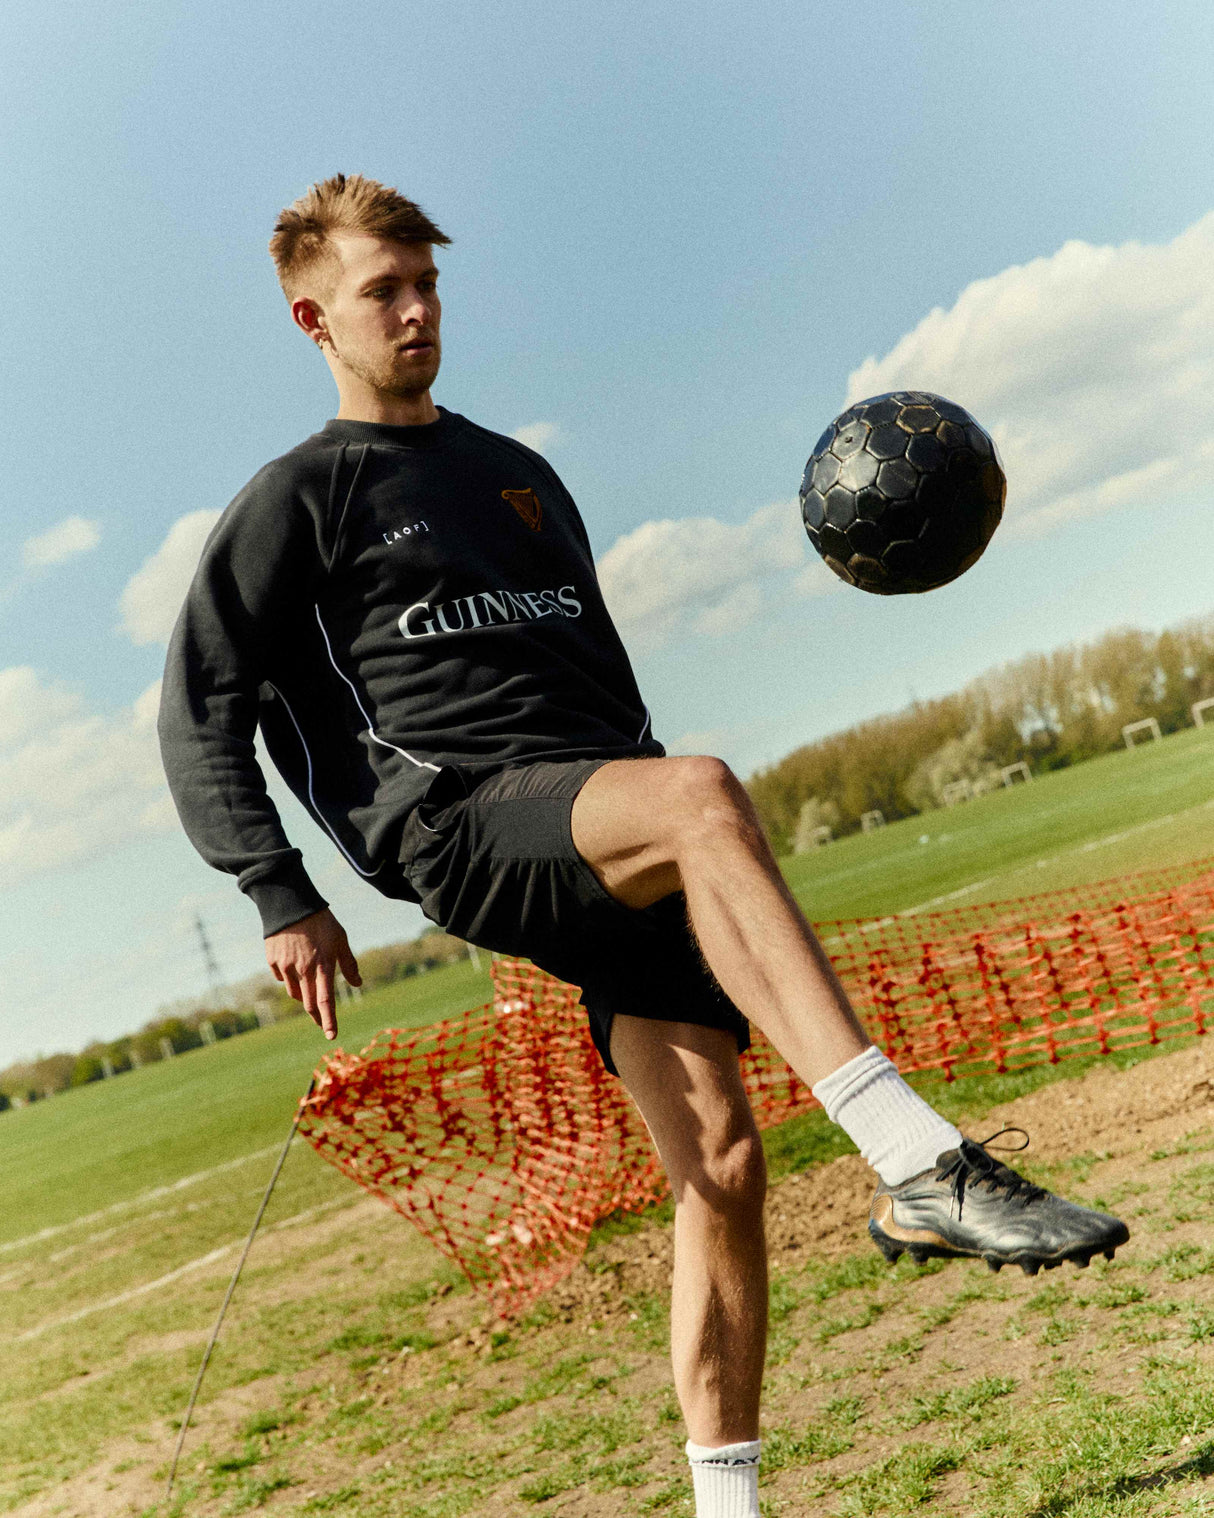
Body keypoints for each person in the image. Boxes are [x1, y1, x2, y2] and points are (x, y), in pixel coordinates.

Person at [158, 173, 1128, 1518]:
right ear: (314, 317)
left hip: (599, 810)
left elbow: (605, 695)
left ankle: (726, 1507)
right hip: (454, 818)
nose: (418, 307)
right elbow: (199, 704)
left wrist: (675, 837)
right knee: (701, 791)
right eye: (385, 290)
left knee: (720, 1162)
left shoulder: (518, 475)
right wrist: (277, 890)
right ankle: (922, 1164)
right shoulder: (299, 498)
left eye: (428, 281)